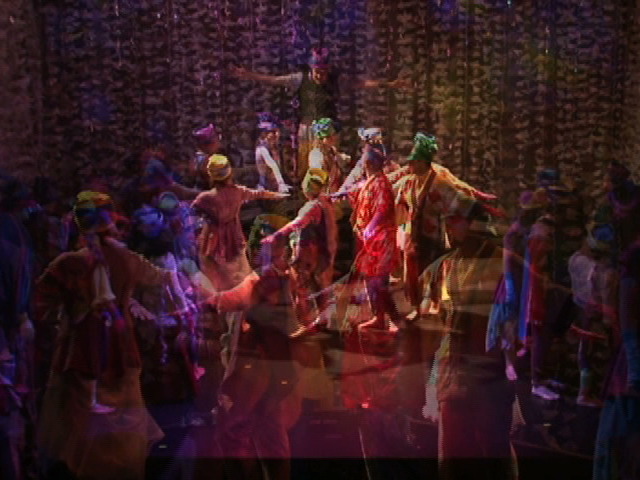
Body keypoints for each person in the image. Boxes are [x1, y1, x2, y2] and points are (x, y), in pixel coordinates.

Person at [35, 191, 183, 480]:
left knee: (83, 417)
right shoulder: (125, 258)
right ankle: (125, 469)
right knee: (125, 411)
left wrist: (65, 320)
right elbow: (160, 276)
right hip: (121, 347)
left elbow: (40, 302)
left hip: (79, 351)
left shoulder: (69, 263)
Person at [419, 200, 517, 480]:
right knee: (453, 456)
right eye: (447, 220)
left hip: (488, 376)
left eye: (455, 220)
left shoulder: (502, 261)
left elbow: (522, 315)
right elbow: (432, 318)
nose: (447, 227)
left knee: (492, 453)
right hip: (452, 375)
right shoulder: (445, 266)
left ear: (475, 224)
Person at [205, 234, 301, 480]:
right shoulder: (281, 277)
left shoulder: (267, 278)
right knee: (268, 429)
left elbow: (231, 300)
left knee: (237, 428)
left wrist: (200, 294)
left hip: (259, 363)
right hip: (271, 361)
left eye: (266, 245)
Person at [230, 47, 408, 179]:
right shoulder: (299, 79)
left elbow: (361, 84)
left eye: (324, 72)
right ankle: (308, 195)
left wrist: (389, 84)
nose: (321, 76)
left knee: (328, 162)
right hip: (307, 128)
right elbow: (274, 80)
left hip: (327, 130)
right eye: (317, 72)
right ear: (311, 68)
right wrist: (248, 75)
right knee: (305, 163)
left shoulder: (335, 81)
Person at [191, 154, 289, 293]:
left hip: (213, 243)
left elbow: (192, 212)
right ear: (229, 173)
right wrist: (277, 195)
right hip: (235, 239)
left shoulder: (205, 198)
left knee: (218, 279)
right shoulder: (237, 192)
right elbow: (258, 194)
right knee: (240, 276)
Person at [262, 168, 337, 327]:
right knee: (316, 285)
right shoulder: (325, 202)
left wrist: (275, 236)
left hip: (306, 250)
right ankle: (321, 319)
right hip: (318, 250)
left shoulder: (313, 206)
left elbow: (297, 223)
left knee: (298, 287)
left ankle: (303, 324)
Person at [347, 145, 402, 330]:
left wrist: (370, 227)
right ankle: (378, 316)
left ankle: (395, 320)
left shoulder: (380, 183)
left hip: (381, 241)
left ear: (369, 163)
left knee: (379, 281)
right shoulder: (371, 182)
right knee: (370, 280)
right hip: (370, 242)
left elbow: (381, 209)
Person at [568, 223, 618, 407]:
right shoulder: (605, 272)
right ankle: (589, 394)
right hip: (596, 317)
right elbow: (607, 301)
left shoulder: (575, 259)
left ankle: (584, 391)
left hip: (579, 311)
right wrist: (610, 321)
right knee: (595, 356)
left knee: (583, 353)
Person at [308, 117, 352, 194]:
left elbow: (341, 160)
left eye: (334, 135)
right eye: (328, 137)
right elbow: (317, 179)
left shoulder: (331, 150)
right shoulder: (316, 155)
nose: (333, 138)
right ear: (321, 139)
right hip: (324, 194)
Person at [254, 113, 291, 194]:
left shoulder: (275, 148)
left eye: (277, 132)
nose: (277, 135)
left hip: (274, 185)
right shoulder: (261, 149)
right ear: (265, 134)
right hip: (266, 188)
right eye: (273, 132)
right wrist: (281, 184)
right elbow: (273, 165)